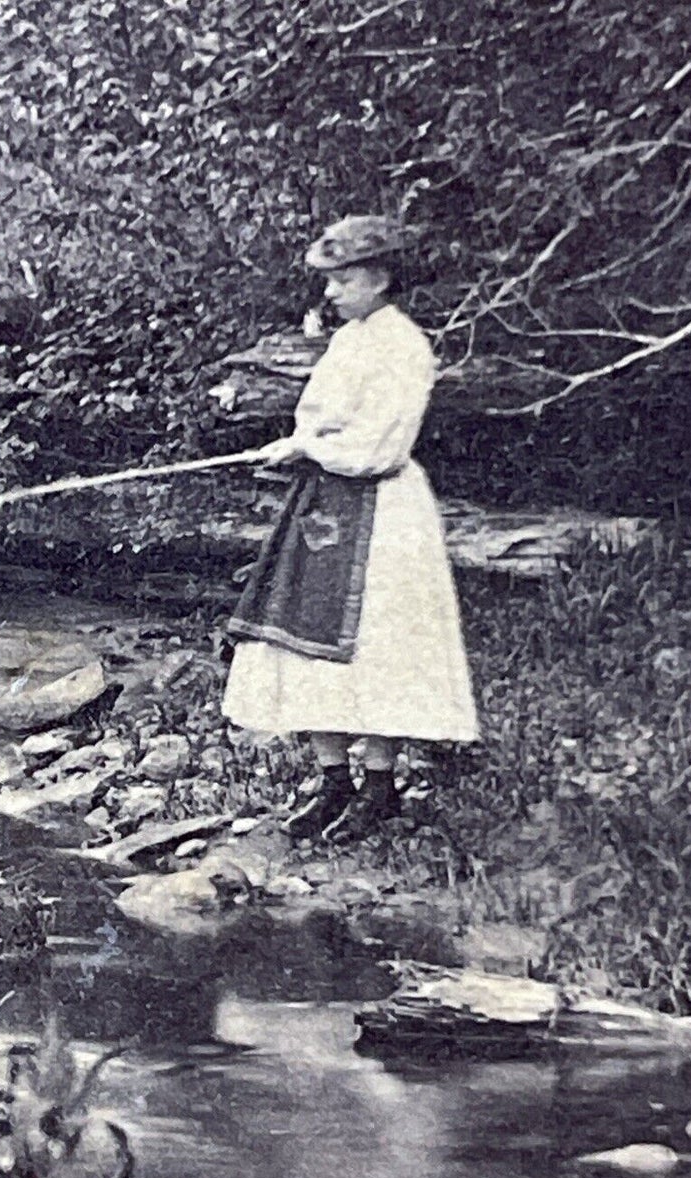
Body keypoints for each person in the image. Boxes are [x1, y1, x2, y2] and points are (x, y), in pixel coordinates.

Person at [220, 215, 478, 843]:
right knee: (306, 637)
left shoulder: (403, 345)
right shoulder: (351, 339)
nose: (330, 292)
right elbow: (324, 423)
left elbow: (379, 446)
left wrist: (307, 451)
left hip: (381, 510)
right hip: (325, 507)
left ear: (381, 278)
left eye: (343, 279)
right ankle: (333, 778)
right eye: (329, 280)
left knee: (376, 643)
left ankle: (380, 786)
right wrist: (298, 443)